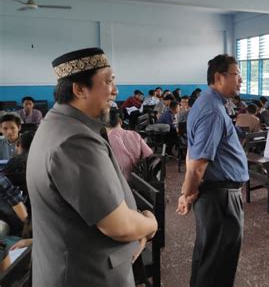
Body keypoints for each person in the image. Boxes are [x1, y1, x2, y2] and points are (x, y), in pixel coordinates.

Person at [27, 48, 157, 286]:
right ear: (79, 89)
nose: (115, 90)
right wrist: (150, 222)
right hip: (87, 275)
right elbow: (119, 226)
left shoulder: (57, 124)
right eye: (108, 81)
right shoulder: (75, 140)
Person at [176, 54, 248, 287]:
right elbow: (197, 167)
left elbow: (192, 152)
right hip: (220, 198)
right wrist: (187, 193)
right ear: (219, 77)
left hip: (215, 195)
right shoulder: (212, 111)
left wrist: (187, 192)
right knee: (218, 263)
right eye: (237, 74)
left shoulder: (208, 103)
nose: (241, 80)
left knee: (208, 257)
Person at [107, 108, 153, 181]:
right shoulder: (134, 134)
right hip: (137, 180)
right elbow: (148, 153)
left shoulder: (106, 140)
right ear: (120, 121)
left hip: (118, 182)